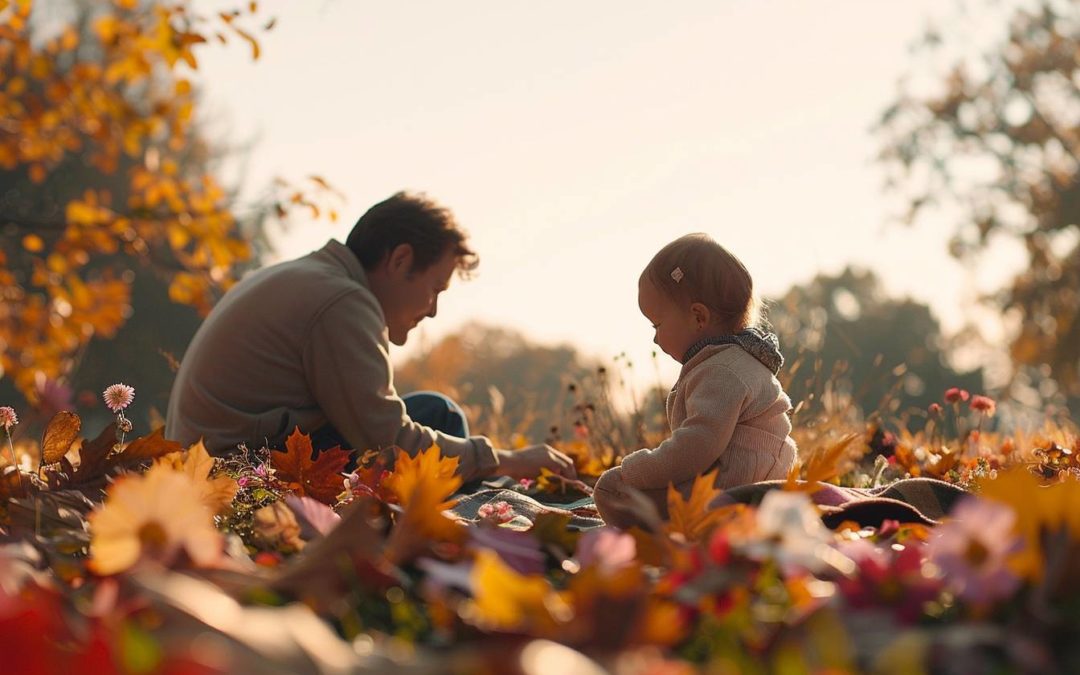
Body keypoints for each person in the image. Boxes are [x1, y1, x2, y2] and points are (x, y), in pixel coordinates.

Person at [165, 191, 576, 483]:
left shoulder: (312, 278)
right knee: (440, 417)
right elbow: (388, 442)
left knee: (432, 412)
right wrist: (505, 460)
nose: (433, 309)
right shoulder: (342, 301)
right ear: (400, 260)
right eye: (435, 288)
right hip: (240, 475)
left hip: (221, 458)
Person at [593, 233, 797, 529]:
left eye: (657, 324)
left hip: (731, 491)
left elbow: (698, 447)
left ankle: (663, 534)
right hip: (761, 485)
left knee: (612, 488)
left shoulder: (722, 371)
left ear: (698, 317)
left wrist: (637, 469)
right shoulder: (738, 361)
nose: (655, 337)